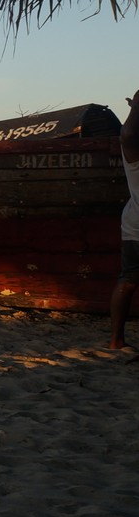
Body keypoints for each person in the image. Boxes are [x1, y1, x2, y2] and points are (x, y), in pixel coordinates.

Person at [111, 91, 139, 347]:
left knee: (128, 279)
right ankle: (116, 340)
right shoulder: (134, 149)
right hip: (135, 225)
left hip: (134, 224)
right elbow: (128, 134)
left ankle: (116, 340)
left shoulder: (133, 151)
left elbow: (128, 134)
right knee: (128, 280)